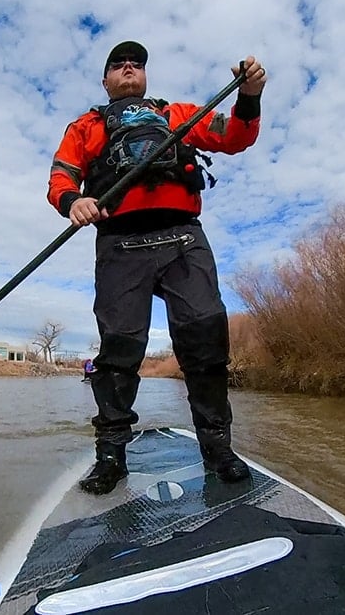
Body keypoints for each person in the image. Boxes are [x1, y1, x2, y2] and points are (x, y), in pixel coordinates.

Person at [47, 41, 267, 495]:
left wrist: (249, 95)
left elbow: (236, 136)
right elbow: (61, 178)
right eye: (119, 65)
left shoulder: (179, 115)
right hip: (119, 244)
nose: (129, 69)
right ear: (106, 80)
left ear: (145, 76)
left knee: (206, 334)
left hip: (182, 236)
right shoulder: (85, 127)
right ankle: (111, 456)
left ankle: (218, 448)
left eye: (136, 65)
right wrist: (74, 200)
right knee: (119, 350)